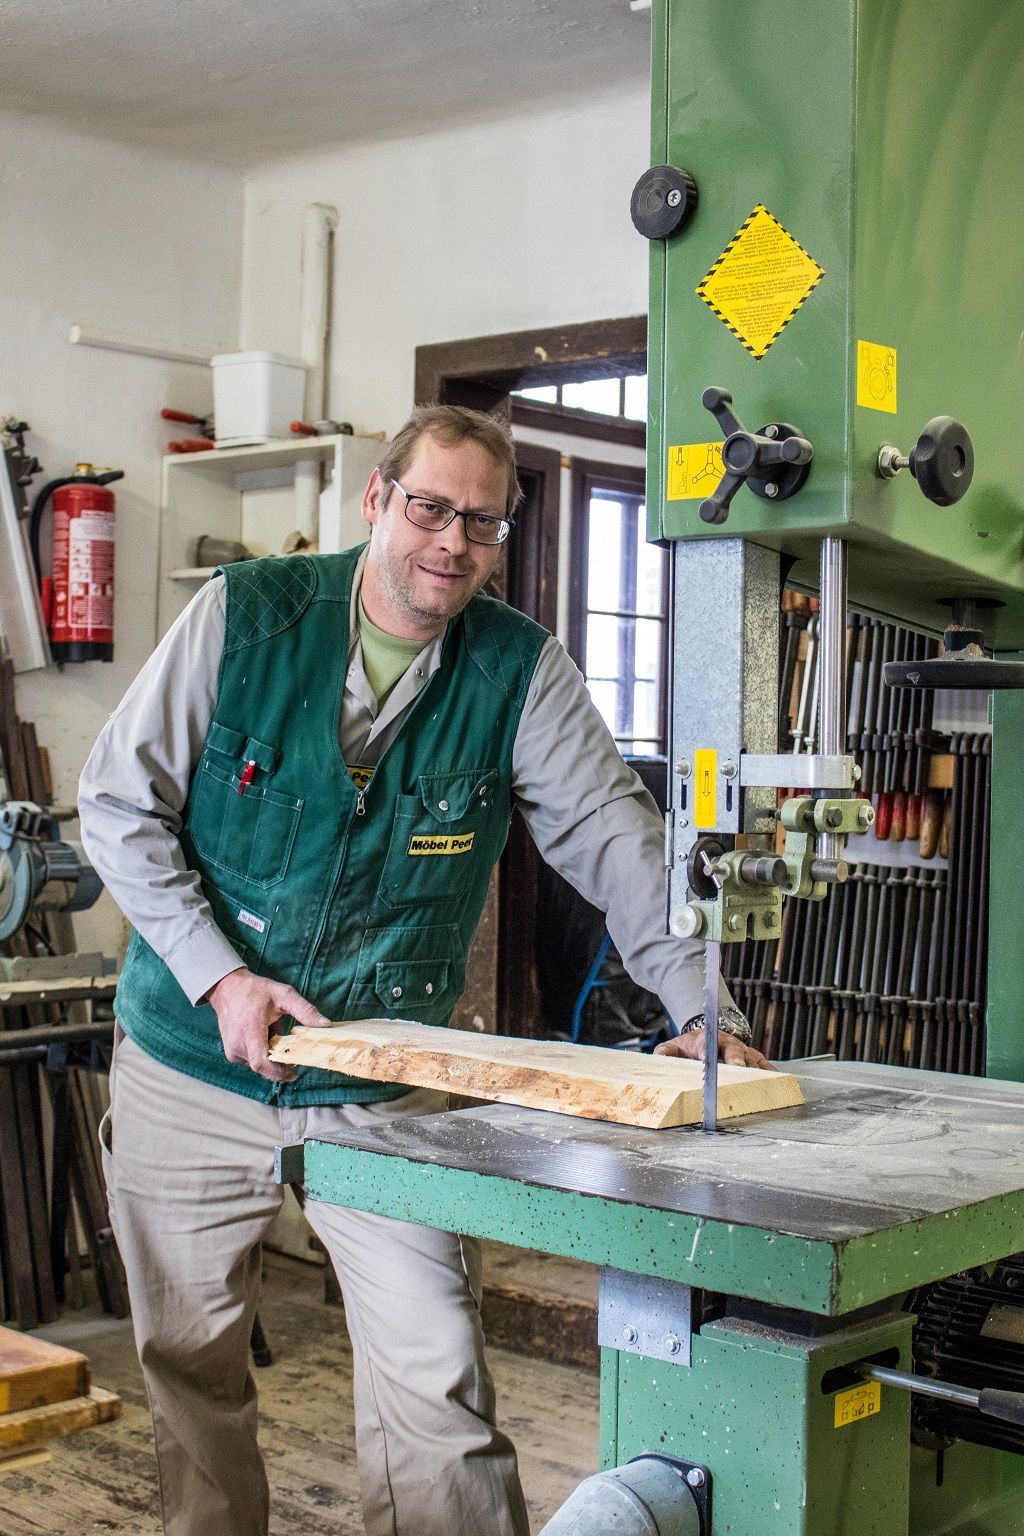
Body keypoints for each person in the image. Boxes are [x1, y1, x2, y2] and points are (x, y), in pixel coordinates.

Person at [78, 403, 768, 1536]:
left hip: (385, 1076)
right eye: (430, 508)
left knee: (436, 1383)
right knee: (190, 1369)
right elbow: (117, 805)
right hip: (192, 1061)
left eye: (481, 523)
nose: (451, 542)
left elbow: (617, 839)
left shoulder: (518, 669)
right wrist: (217, 975)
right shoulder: (242, 617)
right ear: (376, 503)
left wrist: (702, 1009)